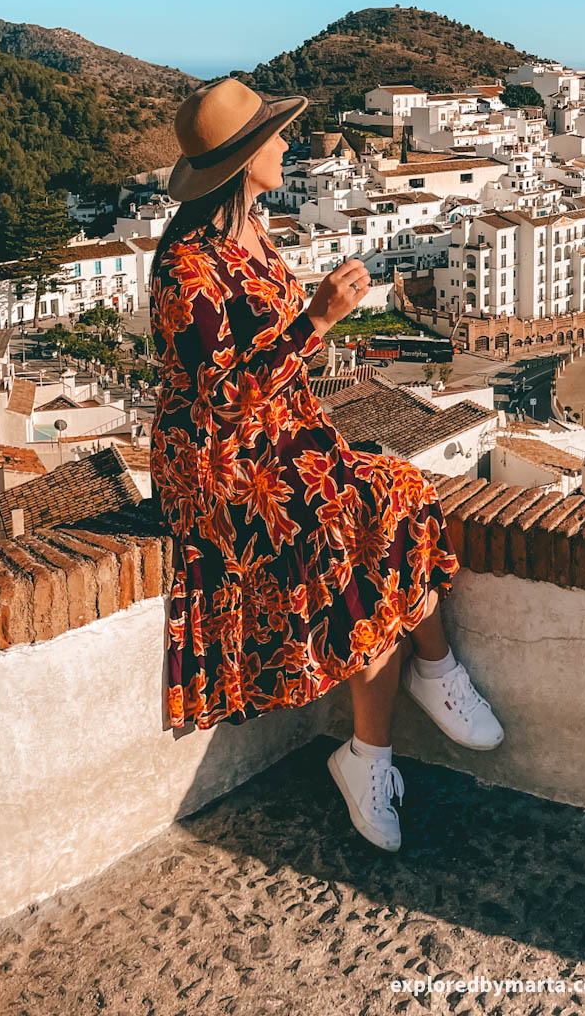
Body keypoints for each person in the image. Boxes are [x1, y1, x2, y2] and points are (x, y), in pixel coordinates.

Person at [149, 77, 503, 852]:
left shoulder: (254, 240)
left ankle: (403, 710)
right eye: (273, 138)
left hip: (277, 437)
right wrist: (318, 318)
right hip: (217, 462)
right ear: (243, 160)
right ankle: (403, 710)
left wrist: (310, 339)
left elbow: (272, 376)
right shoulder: (185, 267)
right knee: (355, 521)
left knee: (399, 491)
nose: (286, 146)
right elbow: (223, 396)